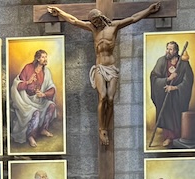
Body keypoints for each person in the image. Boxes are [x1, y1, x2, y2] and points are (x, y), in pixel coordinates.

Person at [46, 3, 160, 146]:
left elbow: (133, 18)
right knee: (103, 97)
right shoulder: (93, 29)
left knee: (111, 99)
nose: (95, 24)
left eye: (96, 21)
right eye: (93, 22)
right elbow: (74, 21)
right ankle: (102, 128)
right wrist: (60, 12)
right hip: (100, 68)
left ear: (101, 17)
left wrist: (149, 9)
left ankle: (106, 125)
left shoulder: (114, 26)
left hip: (111, 68)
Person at [149, 40, 194, 148]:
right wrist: (168, 79)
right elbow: (154, 77)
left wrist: (175, 87)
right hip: (164, 94)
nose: (168, 51)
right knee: (167, 113)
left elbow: (188, 80)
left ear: (176, 51)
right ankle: (168, 137)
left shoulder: (183, 63)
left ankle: (178, 136)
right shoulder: (161, 61)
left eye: (171, 49)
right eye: (167, 48)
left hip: (178, 95)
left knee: (177, 115)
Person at [9, 50, 57, 149]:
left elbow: (52, 88)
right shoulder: (28, 68)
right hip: (26, 100)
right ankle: (31, 136)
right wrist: (28, 82)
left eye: (46, 57)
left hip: (39, 100)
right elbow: (17, 86)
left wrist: (44, 94)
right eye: (43, 57)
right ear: (38, 58)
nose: (45, 59)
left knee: (52, 105)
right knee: (36, 113)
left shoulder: (46, 72)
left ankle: (44, 129)